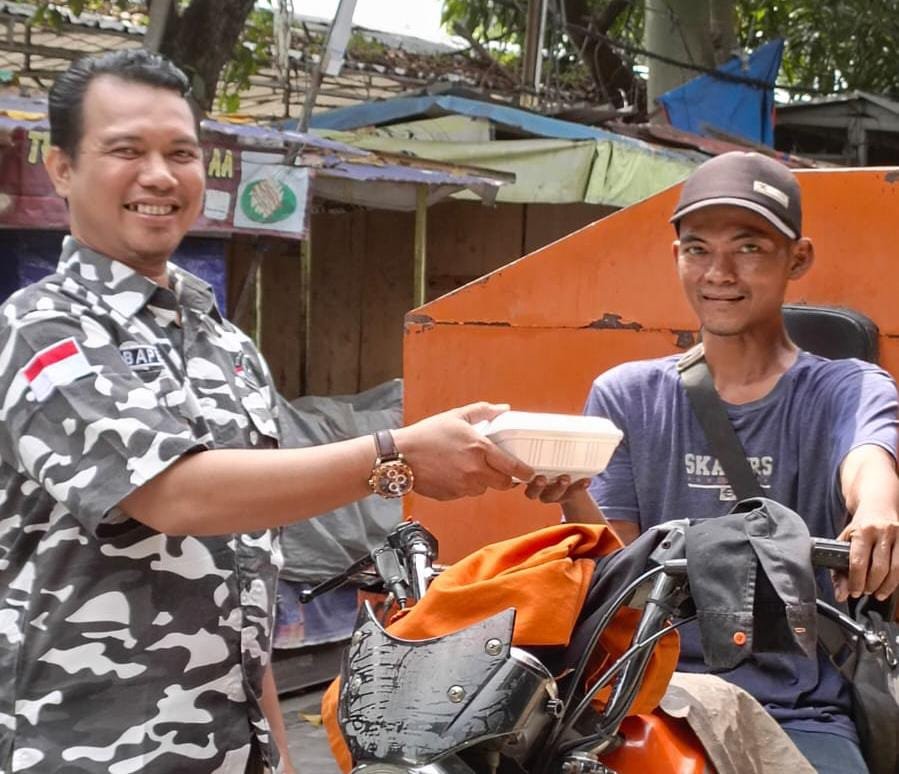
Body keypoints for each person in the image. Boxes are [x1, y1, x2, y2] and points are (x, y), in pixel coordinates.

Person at [0, 49, 538, 774]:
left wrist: (278, 756)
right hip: (83, 750)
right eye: (125, 150)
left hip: (231, 748)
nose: (159, 176)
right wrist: (398, 454)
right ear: (62, 168)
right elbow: (175, 496)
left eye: (180, 153)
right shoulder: (42, 331)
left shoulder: (225, 345)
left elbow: (246, 561)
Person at [528, 151, 899, 773]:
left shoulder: (846, 388)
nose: (718, 272)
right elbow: (615, 569)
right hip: (642, 694)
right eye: (696, 249)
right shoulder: (625, 394)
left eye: (748, 247)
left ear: (797, 258)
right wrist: (569, 493)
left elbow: (868, 459)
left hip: (796, 707)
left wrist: (879, 510)